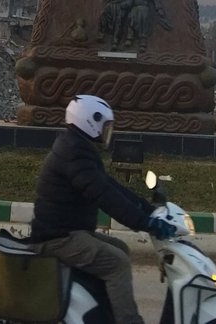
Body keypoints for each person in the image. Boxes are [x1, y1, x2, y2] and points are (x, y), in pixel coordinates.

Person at [30, 95, 173, 324]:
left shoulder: (76, 146)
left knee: (120, 248)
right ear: (90, 121)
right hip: (57, 238)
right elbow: (104, 195)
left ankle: (103, 314)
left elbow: (109, 185)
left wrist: (146, 209)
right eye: (105, 127)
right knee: (117, 263)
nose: (107, 133)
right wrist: (144, 223)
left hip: (68, 231)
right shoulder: (74, 153)